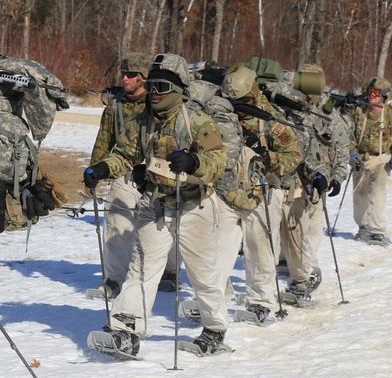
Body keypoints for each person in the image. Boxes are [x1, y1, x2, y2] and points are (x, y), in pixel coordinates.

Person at [84, 53, 229, 355]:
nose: (154, 93)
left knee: (202, 271)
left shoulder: (197, 121)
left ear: (178, 90)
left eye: (162, 87)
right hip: (156, 203)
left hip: (193, 206)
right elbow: (124, 154)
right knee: (142, 265)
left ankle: (214, 329)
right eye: (152, 85)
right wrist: (102, 168)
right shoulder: (143, 122)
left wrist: (194, 161)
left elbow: (218, 161)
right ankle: (126, 328)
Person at [215, 66, 302, 323]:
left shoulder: (271, 120)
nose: (239, 107)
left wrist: (266, 156)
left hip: (262, 191)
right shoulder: (221, 114)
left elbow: (293, 157)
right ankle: (211, 299)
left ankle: (262, 302)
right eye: (233, 102)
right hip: (227, 190)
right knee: (217, 249)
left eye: (244, 102)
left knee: (260, 249)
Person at [87, 52, 176, 298]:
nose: (125, 79)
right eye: (123, 74)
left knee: (165, 220)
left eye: (131, 75)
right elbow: (103, 140)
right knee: (116, 217)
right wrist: (95, 170)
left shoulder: (159, 102)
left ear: (144, 78)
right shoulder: (115, 106)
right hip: (125, 170)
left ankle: (169, 272)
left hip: (159, 173)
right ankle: (115, 279)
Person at [277, 64, 351, 305]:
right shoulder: (287, 106)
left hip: (319, 180)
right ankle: (300, 270)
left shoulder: (328, 114)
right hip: (291, 175)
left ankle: (306, 270)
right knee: (292, 225)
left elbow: (341, 150)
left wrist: (337, 177)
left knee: (310, 229)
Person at [349, 77, 392, 247]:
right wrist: (352, 153)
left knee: (377, 193)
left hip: (380, 160)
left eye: (376, 93)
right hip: (360, 158)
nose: (371, 96)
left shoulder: (389, 115)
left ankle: (377, 232)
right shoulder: (359, 112)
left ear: (383, 96)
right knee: (359, 194)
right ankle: (363, 225)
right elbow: (349, 135)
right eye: (369, 92)